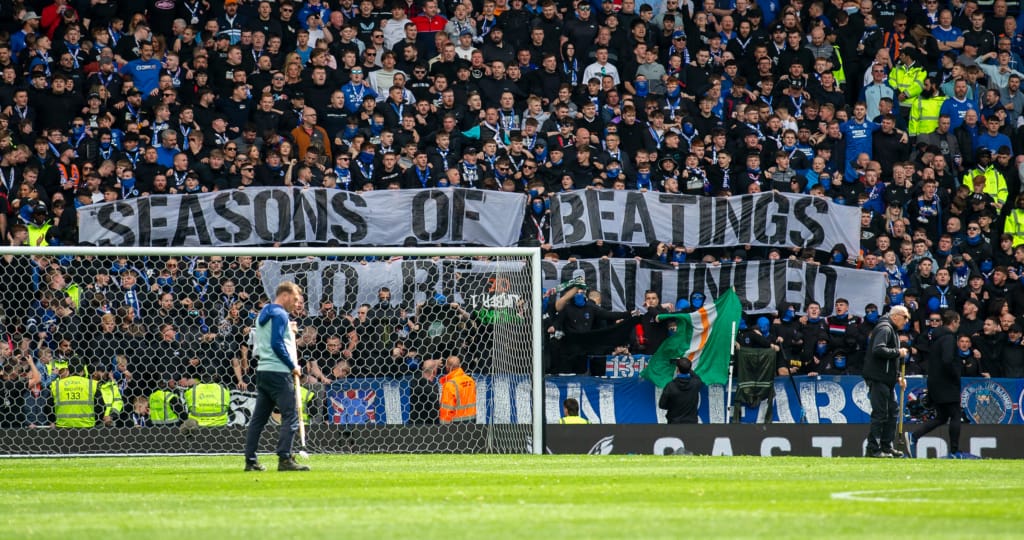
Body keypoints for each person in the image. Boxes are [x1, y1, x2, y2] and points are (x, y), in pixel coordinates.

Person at [243, 281, 309, 472]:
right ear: (285, 295)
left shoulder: (264, 312)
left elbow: (274, 336)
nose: (295, 304)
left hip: (263, 370)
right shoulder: (280, 314)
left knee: (258, 419)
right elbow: (277, 343)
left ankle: (250, 460)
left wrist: (289, 329)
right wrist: (292, 366)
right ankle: (285, 458)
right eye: (294, 299)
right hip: (279, 371)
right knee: (291, 416)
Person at [906, 310, 963, 458]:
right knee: (955, 415)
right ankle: (954, 452)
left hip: (935, 382)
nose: (959, 325)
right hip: (947, 383)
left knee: (942, 417)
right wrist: (955, 375)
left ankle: (914, 436)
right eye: (958, 322)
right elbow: (947, 360)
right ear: (953, 322)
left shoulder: (936, 338)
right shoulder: (949, 338)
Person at [861, 305, 910, 458]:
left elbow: (889, 361)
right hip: (878, 378)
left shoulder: (891, 329)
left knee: (892, 412)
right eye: (905, 317)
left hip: (887, 379)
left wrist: (898, 376)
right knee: (881, 413)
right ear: (895, 316)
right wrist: (898, 352)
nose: (906, 321)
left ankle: (886, 446)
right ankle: (873, 448)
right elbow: (878, 349)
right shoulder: (885, 328)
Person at [658, 357, 703, 424]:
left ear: (677, 369)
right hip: (692, 422)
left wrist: (674, 406)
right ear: (689, 369)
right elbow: (697, 377)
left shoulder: (670, 386)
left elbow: (662, 405)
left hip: (674, 422)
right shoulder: (696, 383)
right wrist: (686, 367)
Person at [438, 355, 476, 424]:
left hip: (457, 421)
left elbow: (447, 408)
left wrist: (444, 424)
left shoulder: (450, 384)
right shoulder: (470, 380)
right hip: (472, 418)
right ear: (459, 365)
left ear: (447, 367)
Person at [408, 359, 440, 425]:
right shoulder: (431, 389)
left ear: (422, 369)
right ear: (434, 371)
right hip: (427, 426)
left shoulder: (414, 381)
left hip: (413, 424)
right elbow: (434, 412)